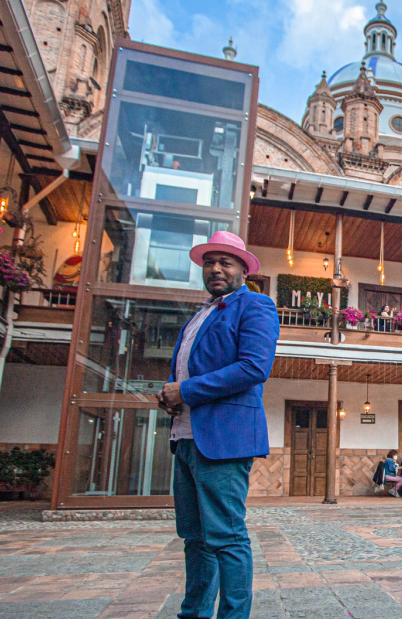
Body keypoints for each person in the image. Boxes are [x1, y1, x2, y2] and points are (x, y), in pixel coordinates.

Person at [157, 230, 278, 619]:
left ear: (244, 269)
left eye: (226, 262)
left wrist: (187, 391)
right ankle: (192, 613)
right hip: (187, 437)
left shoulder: (256, 305)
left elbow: (253, 368)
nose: (216, 269)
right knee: (194, 538)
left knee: (226, 536)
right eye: (210, 262)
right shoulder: (199, 315)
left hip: (224, 440)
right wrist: (173, 398)